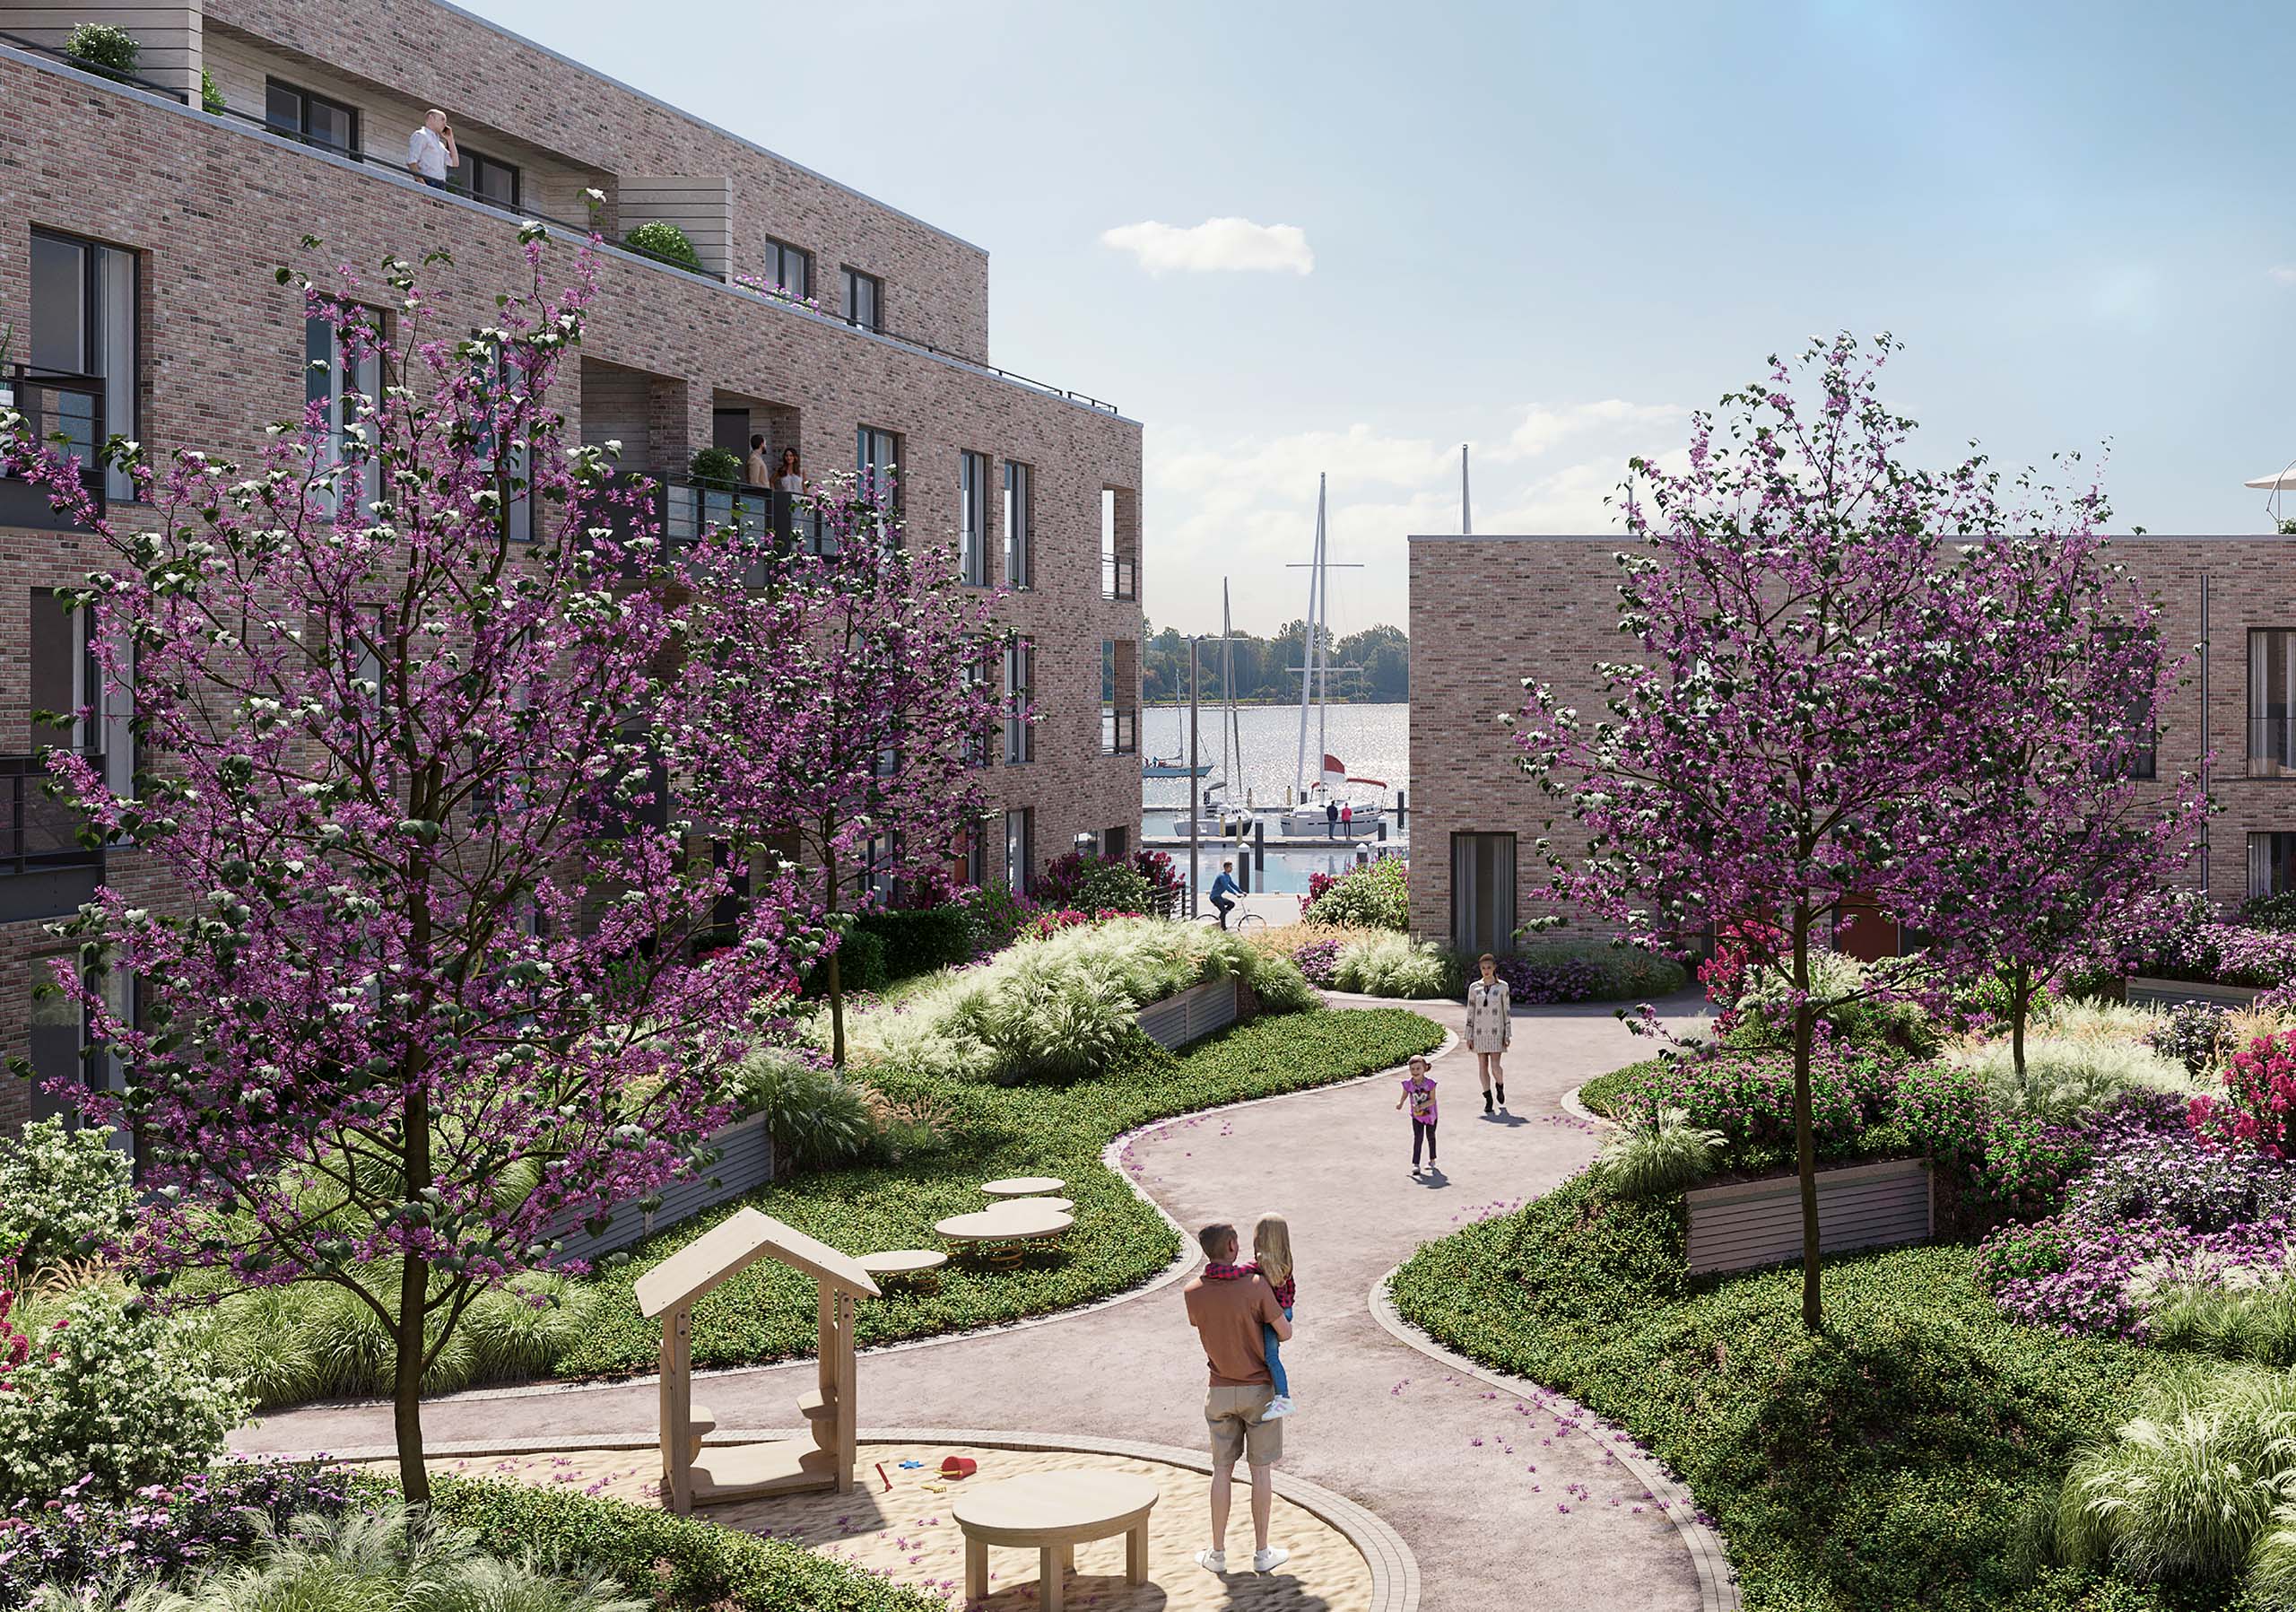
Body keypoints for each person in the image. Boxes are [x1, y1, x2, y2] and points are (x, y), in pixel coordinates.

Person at [1182, 1222, 1292, 1576]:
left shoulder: (1192, 1292)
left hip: (1219, 1389)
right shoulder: (1257, 1286)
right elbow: (1285, 1333)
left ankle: (1217, 1552)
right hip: (1259, 1390)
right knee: (1260, 1473)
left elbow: (1204, 1324)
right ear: (1232, 1246)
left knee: (1221, 1472)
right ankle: (1262, 1552)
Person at [1249, 1213, 1298, 1420]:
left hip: (1273, 1314)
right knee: (1270, 1355)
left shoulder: (1261, 1263)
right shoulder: (1286, 1260)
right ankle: (1279, 1396)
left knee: (1271, 1357)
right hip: (1285, 1310)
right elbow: (1292, 1289)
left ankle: (1283, 1398)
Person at [1466, 953, 1512, 1113]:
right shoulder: (1474, 987)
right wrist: (1469, 1034)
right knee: (1482, 1066)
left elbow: (1506, 1011)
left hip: (1496, 1030)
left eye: (1489, 968)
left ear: (1494, 968)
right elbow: (1470, 1011)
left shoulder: (1503, 987)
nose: (1486, 971)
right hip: (1479, 1032)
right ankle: (1488, 1098)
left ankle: (1500, 1086)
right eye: (1483, 968)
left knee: (1495, 1066)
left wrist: (1507, 1033)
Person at [1396, 1056, 1439, 1175]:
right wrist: (1401, 1102)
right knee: (1418, 1138)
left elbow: (1432, 1100)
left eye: (1418, 1069)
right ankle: (1416, 1163)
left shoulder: (1430, 1084)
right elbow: (1405, 1094)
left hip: (1431, 1116)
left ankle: (1432, 1159)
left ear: (1424, 1069)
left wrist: (1421, 1106)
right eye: (1412, 1069)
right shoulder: (1409, 1084)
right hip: (1417, 1117)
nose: (1415, 1072)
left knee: (1431, 1136)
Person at [406, 109, 458, 190]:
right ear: (431, 118)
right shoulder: (421, 135)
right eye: (442, 119)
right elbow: (411, 162)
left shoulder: (440, 144)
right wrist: (423, 186)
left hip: (441, 185)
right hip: (428, 182)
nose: (445, 124)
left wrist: (450, 140)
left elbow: (455, 163)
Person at [1209, 860, 1241, 928]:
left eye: (1232, 867)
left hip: (1219, 897)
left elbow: (1232, 885)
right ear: (1226, 868)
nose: (1232, 869)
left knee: (1231, 904)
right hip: (1214, 897)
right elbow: (1226, 887)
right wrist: (1235, 894)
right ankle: (1223, 928)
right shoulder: (1222, 876)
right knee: (1223, 911)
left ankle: (1220, 918)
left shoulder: (1227, 876)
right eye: (1230, 867)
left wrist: (1241, 892)